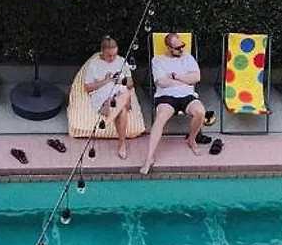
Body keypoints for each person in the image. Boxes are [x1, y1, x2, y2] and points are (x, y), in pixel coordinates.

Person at [142, 32, 206, 174]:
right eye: (177, 48)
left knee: (200, 112)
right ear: (169, 48)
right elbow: (161, 82)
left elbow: (196, 78)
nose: (181, 49)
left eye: (182, 46)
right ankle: (149, 157)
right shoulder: (158, 60)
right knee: (160, 119)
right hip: (166, 96)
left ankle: (192, 139)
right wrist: (185, 80)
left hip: (187, 95)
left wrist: (175, 77)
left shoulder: (188, 57)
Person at [80, 35, 134, 158]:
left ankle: (107, 122)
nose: (112, 58)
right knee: (122, 111)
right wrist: (106, 81)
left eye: (114, 55)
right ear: (102, 52)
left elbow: (131, 83)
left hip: (121, 93)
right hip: (103, 96)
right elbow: (88, 87)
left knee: (124, 96)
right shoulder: (94, 64)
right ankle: (122, 144)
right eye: (109, 55)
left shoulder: (121, 61)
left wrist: (120, 81)